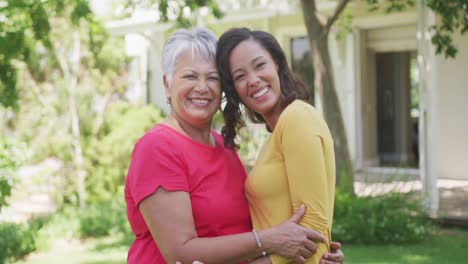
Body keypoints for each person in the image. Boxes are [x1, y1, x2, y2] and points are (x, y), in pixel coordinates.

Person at [124, 28, 343, 264]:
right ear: (167, 84)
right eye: (190, 76)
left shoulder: (223, 146)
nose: (202, 87)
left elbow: (247, 227)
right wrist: (271, 240)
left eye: (212, 78)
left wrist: (315, 252)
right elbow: (180, 253)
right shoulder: (158, 147)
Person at [216, 28, 336, 264]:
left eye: (260, 65)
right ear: (235, 91)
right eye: (240, 76)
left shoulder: (297, 118)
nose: (252, 80)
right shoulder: (276, 134)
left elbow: (311, 229)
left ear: (278, 65)